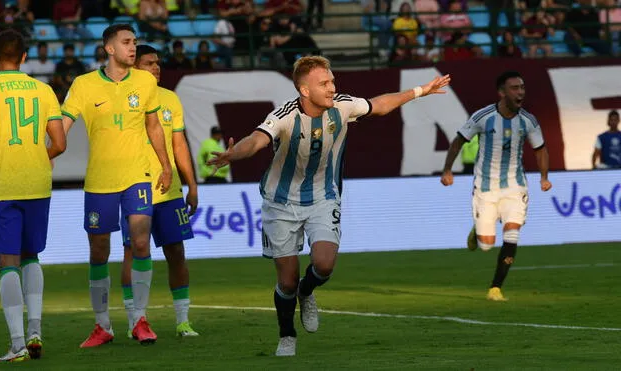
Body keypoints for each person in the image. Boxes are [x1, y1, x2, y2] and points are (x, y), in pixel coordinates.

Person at [206, 56, 450, 356]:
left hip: (323, 196)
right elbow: (256, 140)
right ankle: (287, 335)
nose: (332, 87)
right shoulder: (284, 115)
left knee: (323, 264)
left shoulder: (342, 106)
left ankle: (306, 293)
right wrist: (233, 154)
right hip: (280, 203)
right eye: (324, 83)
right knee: (286, 280)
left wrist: (420, 91)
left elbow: (380, 105)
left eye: (332, 80)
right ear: (304, 90)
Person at [61, 24, 173, 348]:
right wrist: (49, 151)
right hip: (99, 181)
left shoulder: (145, 81)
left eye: (134, 42)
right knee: (99, 251)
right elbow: (63, 125)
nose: (132, 48)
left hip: (137, 176)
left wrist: (165, 166)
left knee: (140, 243)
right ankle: (102, 325)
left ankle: (139, 319)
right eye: (126, 43)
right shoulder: (83, 85)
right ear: (109, 49)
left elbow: (154, 126)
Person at [0, 29, 66, 362]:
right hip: (38, 184)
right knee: (32, 256)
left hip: (4, 185)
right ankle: (35, 330)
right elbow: (59, 143)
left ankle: (17, 343)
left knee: (7, 262)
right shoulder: (44, 90)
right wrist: (35, 159)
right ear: (26, 57)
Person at [440, 71, 551, 302]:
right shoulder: (483, 116)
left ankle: (495, 288)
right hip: (485, 187)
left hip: (515, 186)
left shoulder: (528, 120)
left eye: (522, 87)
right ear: (502, 92)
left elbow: (540, 149)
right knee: (486, 245)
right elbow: (459, 140)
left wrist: (544, 177)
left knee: (512, 231)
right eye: (514, 88)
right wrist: (447, 169)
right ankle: (478, 230)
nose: (520, 92)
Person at [119, 44, 200, 339]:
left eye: (158, 63)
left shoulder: (169, 99)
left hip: (169, 191)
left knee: (176, 252)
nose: (157, 67)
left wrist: (191, 183)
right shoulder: (123, 99)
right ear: (134, 67)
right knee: (133, 252)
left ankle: (183, 321)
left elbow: (179, 144)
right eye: (150, 63)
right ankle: (134, 321)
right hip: (133, 188)